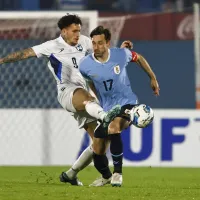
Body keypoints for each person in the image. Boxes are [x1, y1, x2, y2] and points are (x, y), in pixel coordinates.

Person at [0, 14, 133, 186]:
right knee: (87, 100)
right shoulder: (52, 46)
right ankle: (104, 115)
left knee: (100, 145)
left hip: (85, 95)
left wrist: (120, 50)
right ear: (64, 31)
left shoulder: (85, 42)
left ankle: (72, 174)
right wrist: (2, 60)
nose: (78, 34)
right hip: (67, 92)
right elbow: (26, 53)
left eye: (79, 30)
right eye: (74, 31)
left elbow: (102, 53)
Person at [79, 26, 160, 187]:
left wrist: (152, 78)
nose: (96, 47)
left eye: (100, 43)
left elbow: (139, 58)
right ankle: (106, 176)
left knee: (114, 127)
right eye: (94, 43)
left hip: (127, 103)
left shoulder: (120, 54)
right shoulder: (85, 65)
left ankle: (118, 174)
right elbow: (90, 82)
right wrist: (100, 100)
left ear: (108, 43)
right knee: (97, 149)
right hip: (107, 109)